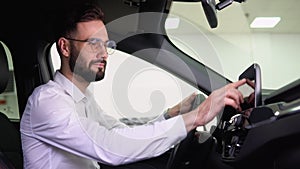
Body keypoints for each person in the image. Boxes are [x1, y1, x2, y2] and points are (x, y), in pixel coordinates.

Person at [20, 2, 249, 169]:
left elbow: (118, 130)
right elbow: (111, 145)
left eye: (105, 44)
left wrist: (170, 115)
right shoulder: (47, 102)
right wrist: (197, 116)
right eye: (93, 43)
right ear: (65, 47)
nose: (103, 53)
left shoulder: (83, 99)